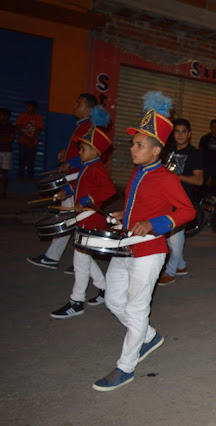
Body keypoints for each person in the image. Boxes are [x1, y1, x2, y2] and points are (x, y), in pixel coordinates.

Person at [93, 91, 195, 391]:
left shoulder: (167, 178)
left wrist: (154, 224)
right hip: (126, 247)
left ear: (156, 150)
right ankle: (148, 336)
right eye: (133, 144)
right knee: (113, 300)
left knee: (136, 309)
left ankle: (125, 367)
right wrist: (123, 215)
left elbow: (188, 211)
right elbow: (138, 206)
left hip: (150, 252)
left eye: (139, 145)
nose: (132, 149)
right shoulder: (138, 173)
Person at [49, 107, 116, 318]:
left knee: (80, 260)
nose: (79, 153)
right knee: (83, 257)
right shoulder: (87, 166)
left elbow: (109, 190)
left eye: (83, 149)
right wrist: (66, 191)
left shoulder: (97, 168)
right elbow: (80, 185)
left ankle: (76, 301)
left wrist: (88, 200)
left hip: (91, 218)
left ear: (95, 152)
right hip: (82, 218)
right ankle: (104, 287)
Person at [27, 93, 95, 271]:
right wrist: (65, 155)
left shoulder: (89, 127)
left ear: (89, 109)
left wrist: (71, 163)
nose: (75, 106)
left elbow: (90, 154)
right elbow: (78, 151)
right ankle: (60, 258)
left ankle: (80, 262)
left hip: (78, 178)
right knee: (70, 218)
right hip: (73, 177)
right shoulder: (82, 126)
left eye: (79, 104)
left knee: (74, 219)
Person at [158, 118, 203, 285]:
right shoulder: (168, 150)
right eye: (177, 131)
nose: (180, 135)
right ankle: (181, 266)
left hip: (183, 200)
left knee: (175, 237)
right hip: (166, 199)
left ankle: (170, 271)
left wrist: (177, 177)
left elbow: (199, 180)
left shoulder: (194, 153)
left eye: (183, 131)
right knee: (170, 236)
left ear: (189, 134)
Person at [15, 100, 43, 181]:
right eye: (27, 106)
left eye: (29, 106)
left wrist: (32, 140)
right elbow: (18, 127)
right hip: (22, 142)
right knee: (22, 160)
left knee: (31, 161)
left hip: (33, 143)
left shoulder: (38, 118)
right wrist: (27, 138)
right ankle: (20, 177)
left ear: (34, 108)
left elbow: (38, 130)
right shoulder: (22, 115)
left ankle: (30, 177)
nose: (27, 108)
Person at [198, 119, 216, 193]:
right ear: (210, 127)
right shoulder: (205, 138)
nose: (214, 128)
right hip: (205, 164)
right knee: (204, 183)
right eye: (213, 126)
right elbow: (200, 150)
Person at [0, 108, 16, 199]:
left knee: (4, 172)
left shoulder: (11, 127)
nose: (2, 117)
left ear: (7, 117)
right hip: (5, 150)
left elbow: (11, 139)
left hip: (6, 152)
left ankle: (3, 192)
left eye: (3, 115)